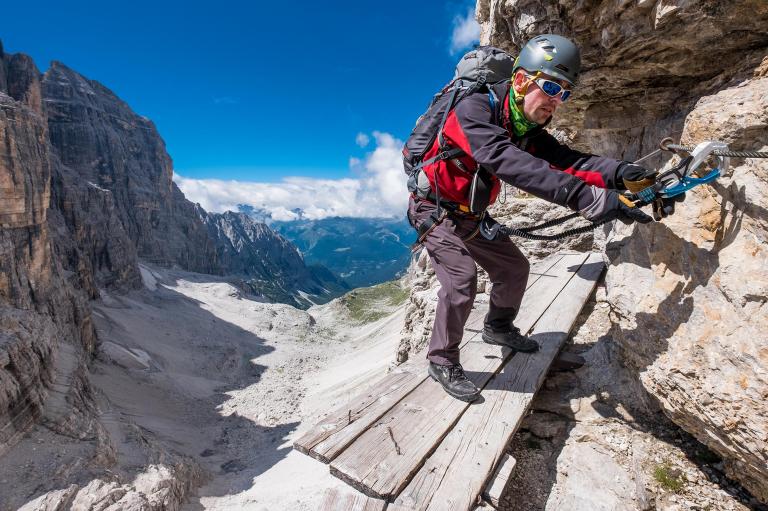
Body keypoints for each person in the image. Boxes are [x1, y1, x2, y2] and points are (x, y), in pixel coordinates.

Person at [406, 34, 677, 402]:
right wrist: (590, 200)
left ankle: (498, 328)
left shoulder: (522, 125)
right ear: (520, 80)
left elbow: (568, 160)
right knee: (461, 280)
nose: (556, 101)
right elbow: (506, 161)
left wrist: (621, 174)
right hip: (433, 210)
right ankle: (441, 359)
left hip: (470, 213)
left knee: (513, 269)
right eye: (550, 87)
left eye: (564, 93)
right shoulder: (472, 111)